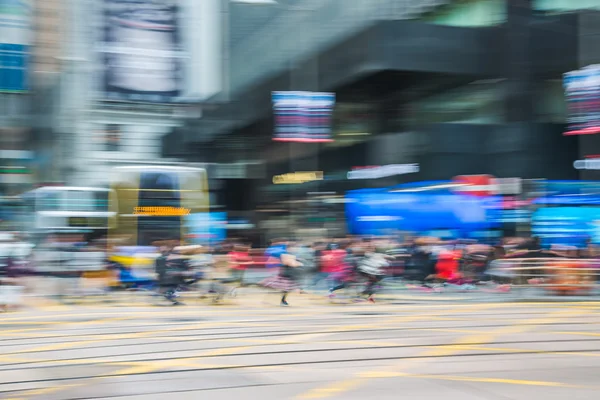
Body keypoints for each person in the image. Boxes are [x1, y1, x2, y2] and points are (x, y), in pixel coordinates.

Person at [260, 242, 302, 306]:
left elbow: (293, 263)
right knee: (280, 288)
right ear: (289, 248)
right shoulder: (285, 254)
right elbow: (290, 263)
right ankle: (274, 300)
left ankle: (283, 300)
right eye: (294, 248)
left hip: (290, 274)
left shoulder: (292, 255)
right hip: (285, 274)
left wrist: (297, 262)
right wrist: (298, 263)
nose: (295, 249)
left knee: (286, 289)